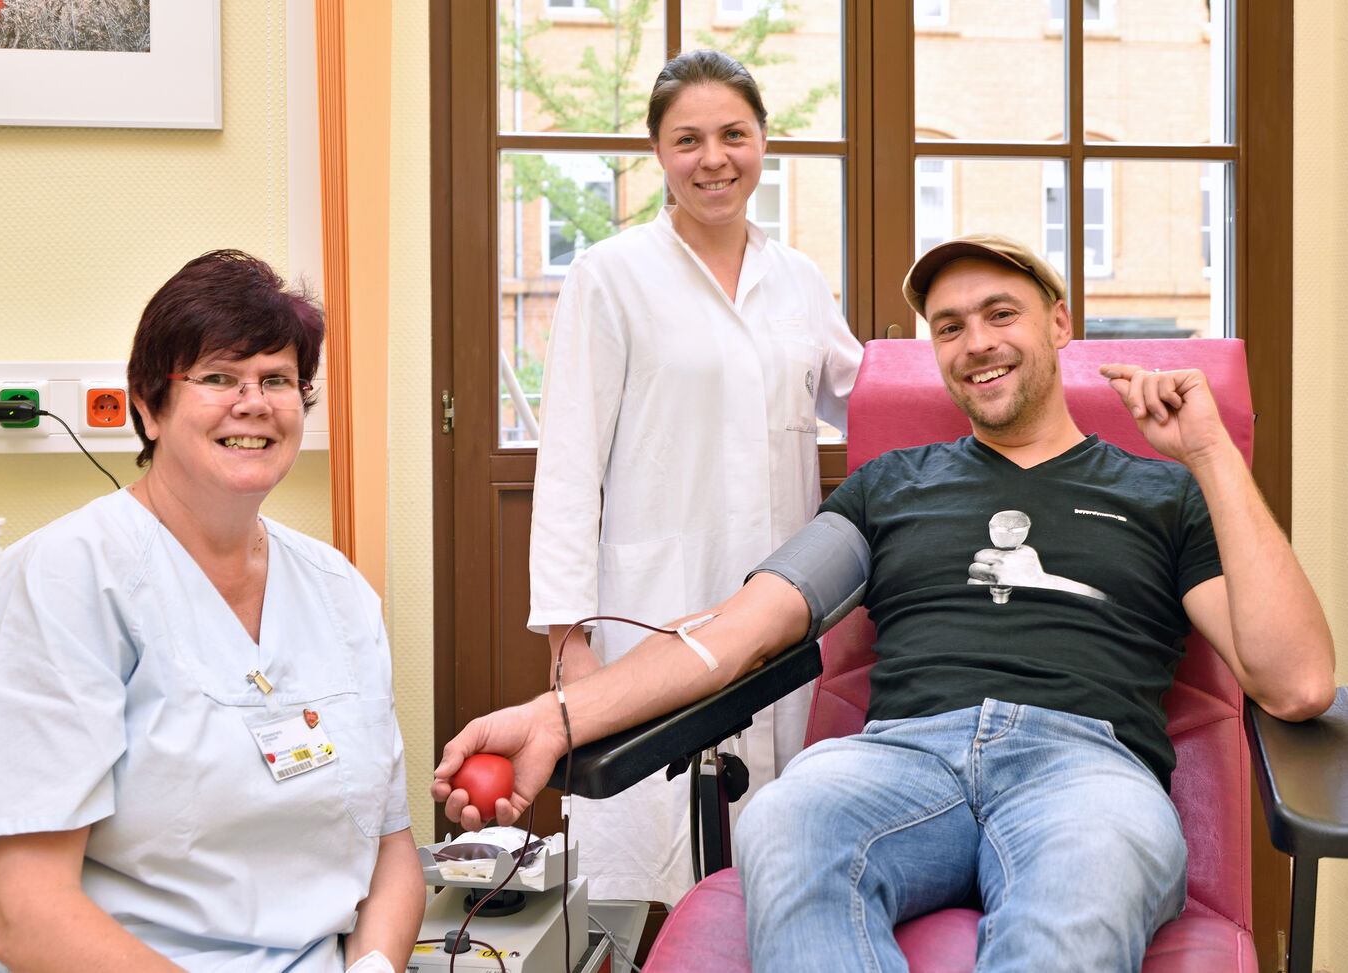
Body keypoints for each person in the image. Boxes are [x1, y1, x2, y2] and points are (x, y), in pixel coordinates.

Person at [436, 234, 1337, 971]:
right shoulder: (889, 486)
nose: (974, 342)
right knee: (788, 821)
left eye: (998, 314)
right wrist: (555, 713)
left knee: (1082, 890)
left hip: (1085, 766)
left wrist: (1211, 454)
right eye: (947, 327)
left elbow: (1294, 681)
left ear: (1060, 323)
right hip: (902, 758)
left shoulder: (1161, 493)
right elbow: (741, 629)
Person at [0, 251, 425, 972]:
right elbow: (22, 913)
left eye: (277, 379)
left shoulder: (337, 590)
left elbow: (391, 848)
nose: (254, 402)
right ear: (149, 403)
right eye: (217, 378)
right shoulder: (69, 579)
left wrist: (372, 967)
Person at [526, 49, 861, 904]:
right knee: (650, 846)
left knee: (771, 839)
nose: (713, 158)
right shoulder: (611, 275)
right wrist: (568, 638)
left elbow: (867, 400)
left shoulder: (798, 278)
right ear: (658, 153)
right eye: (688, 140)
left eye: (732, 135)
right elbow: (567, 463)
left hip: (775, 602)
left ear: (760, 143)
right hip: (653, 596)